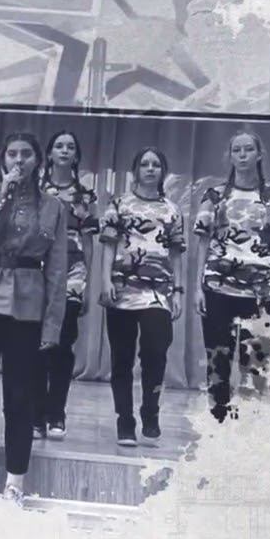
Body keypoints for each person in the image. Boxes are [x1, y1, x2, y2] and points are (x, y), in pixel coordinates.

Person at [0, 132, 67, 505]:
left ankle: (15, 482)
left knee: (20, 396)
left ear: (38, 161)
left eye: (27, 154)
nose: (19, 161)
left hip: (27, 304)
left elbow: (57, 269)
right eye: (12, 154)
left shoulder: (53, 206)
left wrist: (52, 323)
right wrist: (4, 196)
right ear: (2, 160)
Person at [192, 131, 270, 422]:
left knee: (255, 361)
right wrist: (198, 287)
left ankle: (247, 423)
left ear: (259, 154)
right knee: (218, 357)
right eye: (237, 150)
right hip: (218, 286)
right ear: (231, 156)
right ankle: (218, 420)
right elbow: (202, 243)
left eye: (249, 149)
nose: (243, 154)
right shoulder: (214, 195)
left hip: (259, 290)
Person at [99, 147, 185, 445]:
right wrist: (105, 280)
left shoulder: (172, 210)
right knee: (121, 359)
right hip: (122, 289)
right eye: (145, 164)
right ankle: (125, 421)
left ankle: (151, 411)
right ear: (136, 170)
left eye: (156, 164)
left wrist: (178, 291)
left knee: (156, 353)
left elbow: (176, 254)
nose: (150, 169)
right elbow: (108, 245)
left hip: (157, 293)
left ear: (163, 171)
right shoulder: (119, 204)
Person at [34, 130, 98, 441]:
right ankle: (35, 415)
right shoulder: (36, 188)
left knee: (62, 344)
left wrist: (89, 284)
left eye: (70, 146)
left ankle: (56, 413)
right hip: (37, 272)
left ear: (76, 155)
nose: (64, 150)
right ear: (49, 153)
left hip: (73, 274)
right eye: (58, 145)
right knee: (36, 346)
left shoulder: (85, 196)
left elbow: (89, 242)